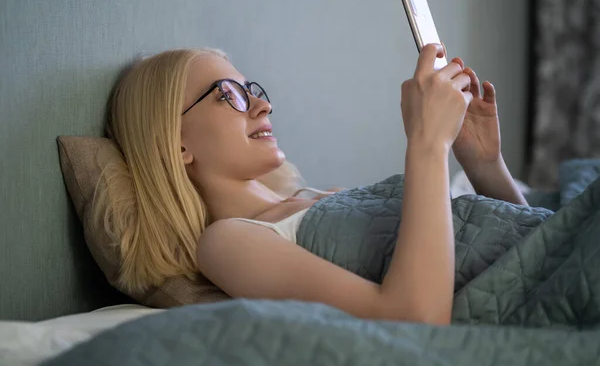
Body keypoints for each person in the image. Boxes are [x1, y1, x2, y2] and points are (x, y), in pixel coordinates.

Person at [95, 43, 528, 325]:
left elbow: (521, 251)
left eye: (254, 90)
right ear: (176, 143)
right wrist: (427, 143)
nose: (264, 105)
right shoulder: (227, 242)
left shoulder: (308, 199)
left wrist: (486, 167)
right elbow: (413, 320)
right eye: (230, 94)